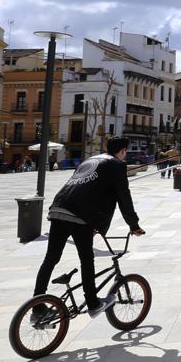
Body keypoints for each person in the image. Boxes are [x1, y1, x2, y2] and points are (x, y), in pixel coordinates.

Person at [31, 137, 146, 321]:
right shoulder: (117, 165)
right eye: (125, 153)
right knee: (86, 259)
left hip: (58, 209)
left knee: (51, 258)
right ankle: (92, 302)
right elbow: (123, 197)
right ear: (123, 151)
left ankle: (37, 307)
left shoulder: (90, 160)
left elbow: (89, 189)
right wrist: (134, 225)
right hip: (79, 216)